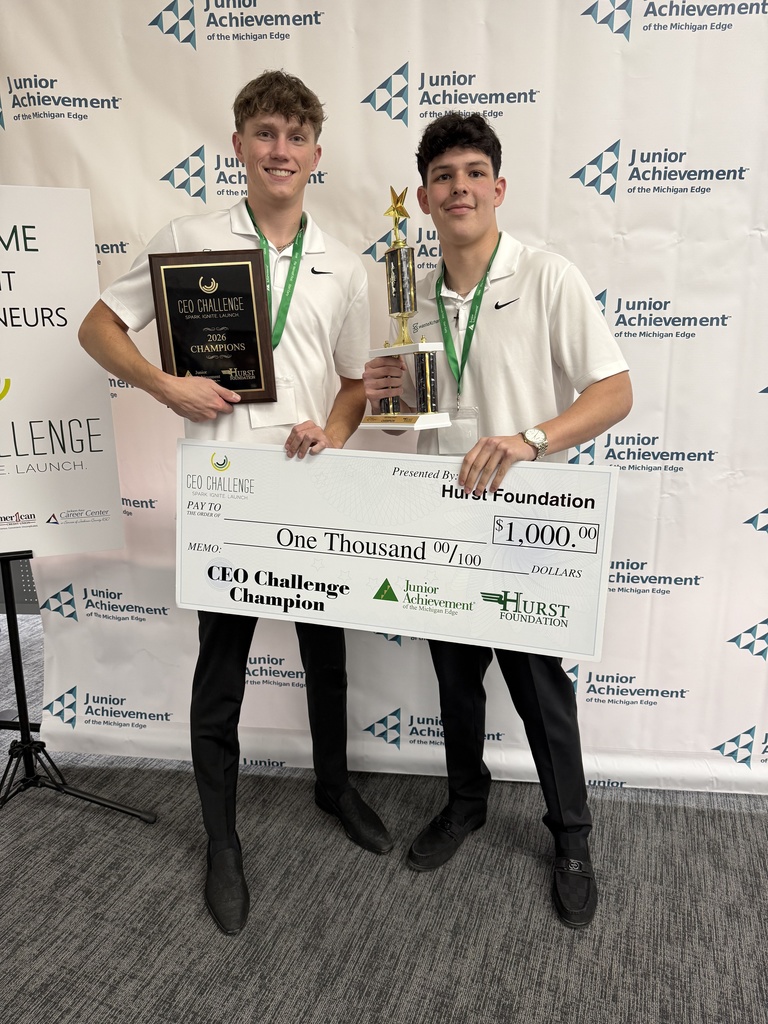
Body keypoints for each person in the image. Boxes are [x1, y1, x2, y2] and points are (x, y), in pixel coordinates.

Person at [79, 71, 392, 937]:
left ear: (317, 154)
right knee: (222, 670)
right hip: (226, 491)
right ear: (239, 146)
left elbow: (354, 384)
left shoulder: (345, 267)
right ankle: (222, 839)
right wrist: (164, 384)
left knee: (326, 654)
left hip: (309, 489)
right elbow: (97, 326)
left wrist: (333, 430)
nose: (280, 150)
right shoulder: (190, 240)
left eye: (296, 136)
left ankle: (334, 787)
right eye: (265, 133)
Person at [363, 112, 632, 928]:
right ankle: (465, 802)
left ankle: (572, 836)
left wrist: (531, 439)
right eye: (444, 176)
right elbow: (405, 422)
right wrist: (385, 399)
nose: (460, 188)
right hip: (443, 523)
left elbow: (615, 392)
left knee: (540, 689)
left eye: (474, 173)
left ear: (499, 187)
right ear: (424, 197)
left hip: (522, 528)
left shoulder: (546, 275)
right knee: (455, 681)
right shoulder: (408, 293)